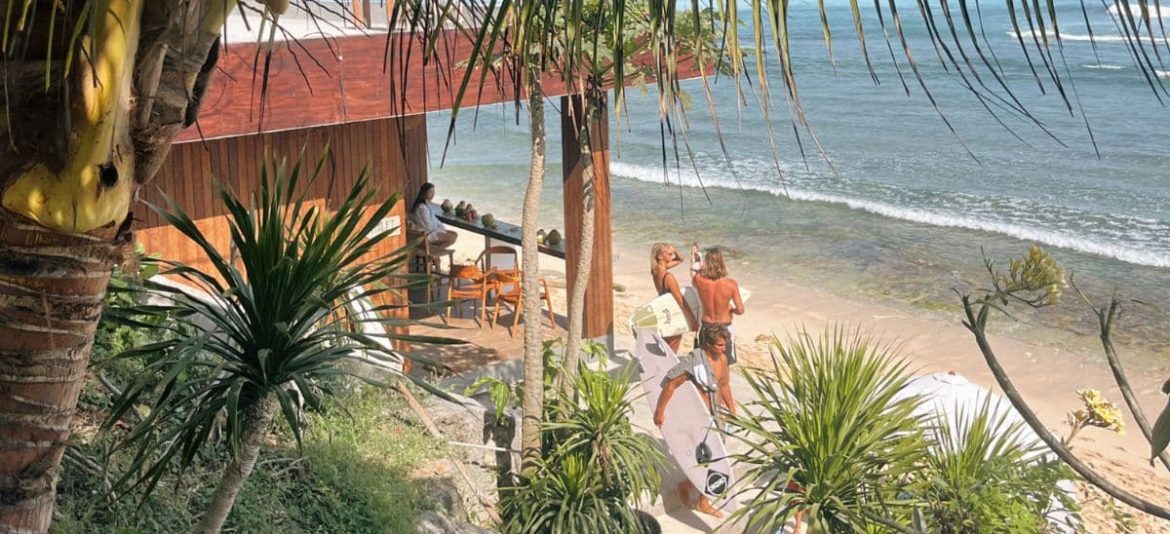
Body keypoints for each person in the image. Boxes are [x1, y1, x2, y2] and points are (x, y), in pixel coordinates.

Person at [654, 325, 735, 518]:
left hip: (716, 417)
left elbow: (724, 384)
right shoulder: (694, 362)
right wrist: (660, 411)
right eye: (720, 345)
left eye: (725, 344)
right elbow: (671, 383)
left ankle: (693, 490)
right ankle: (699, 498)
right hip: (698, 417)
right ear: (708, 344)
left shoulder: (722, 359)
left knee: (715, 456)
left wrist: (731, 407)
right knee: (707, 458)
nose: (724, 348)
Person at [692, 247, 744, 364]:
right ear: (722, 263)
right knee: (724, 361)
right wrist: (732, 310)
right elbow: (741, 310)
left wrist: (699, 268)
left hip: (707, 324)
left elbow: (693, 280)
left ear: (706, 263)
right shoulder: (731, 284)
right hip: (724, 326)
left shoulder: (699, 280)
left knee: (706, 361)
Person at [651, 243, 699, 353]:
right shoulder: (668, 277)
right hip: (672, 313)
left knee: (667, 345)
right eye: (669, 254)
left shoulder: (656, 270)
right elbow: (681, 301)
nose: (672, 256)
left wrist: (674, 248)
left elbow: (681, 259)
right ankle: (667, 368)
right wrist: (693, 320)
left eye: (672, 254)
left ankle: (663, 366)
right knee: (673, 346)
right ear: (660, 256)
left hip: (664, 310)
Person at [409, 183, 457, 249]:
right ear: (424, 193)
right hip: (426, 234)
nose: (433, 194)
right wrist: (438, 228)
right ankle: (435, 253)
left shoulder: (427, 204)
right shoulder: (421, 208)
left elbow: (434, 219)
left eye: (433, 192)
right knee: (452, 237)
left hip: (430, 230)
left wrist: (440, 226)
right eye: (431, 192)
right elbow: (428, 225)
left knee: (454, 234)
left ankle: (435, 253)